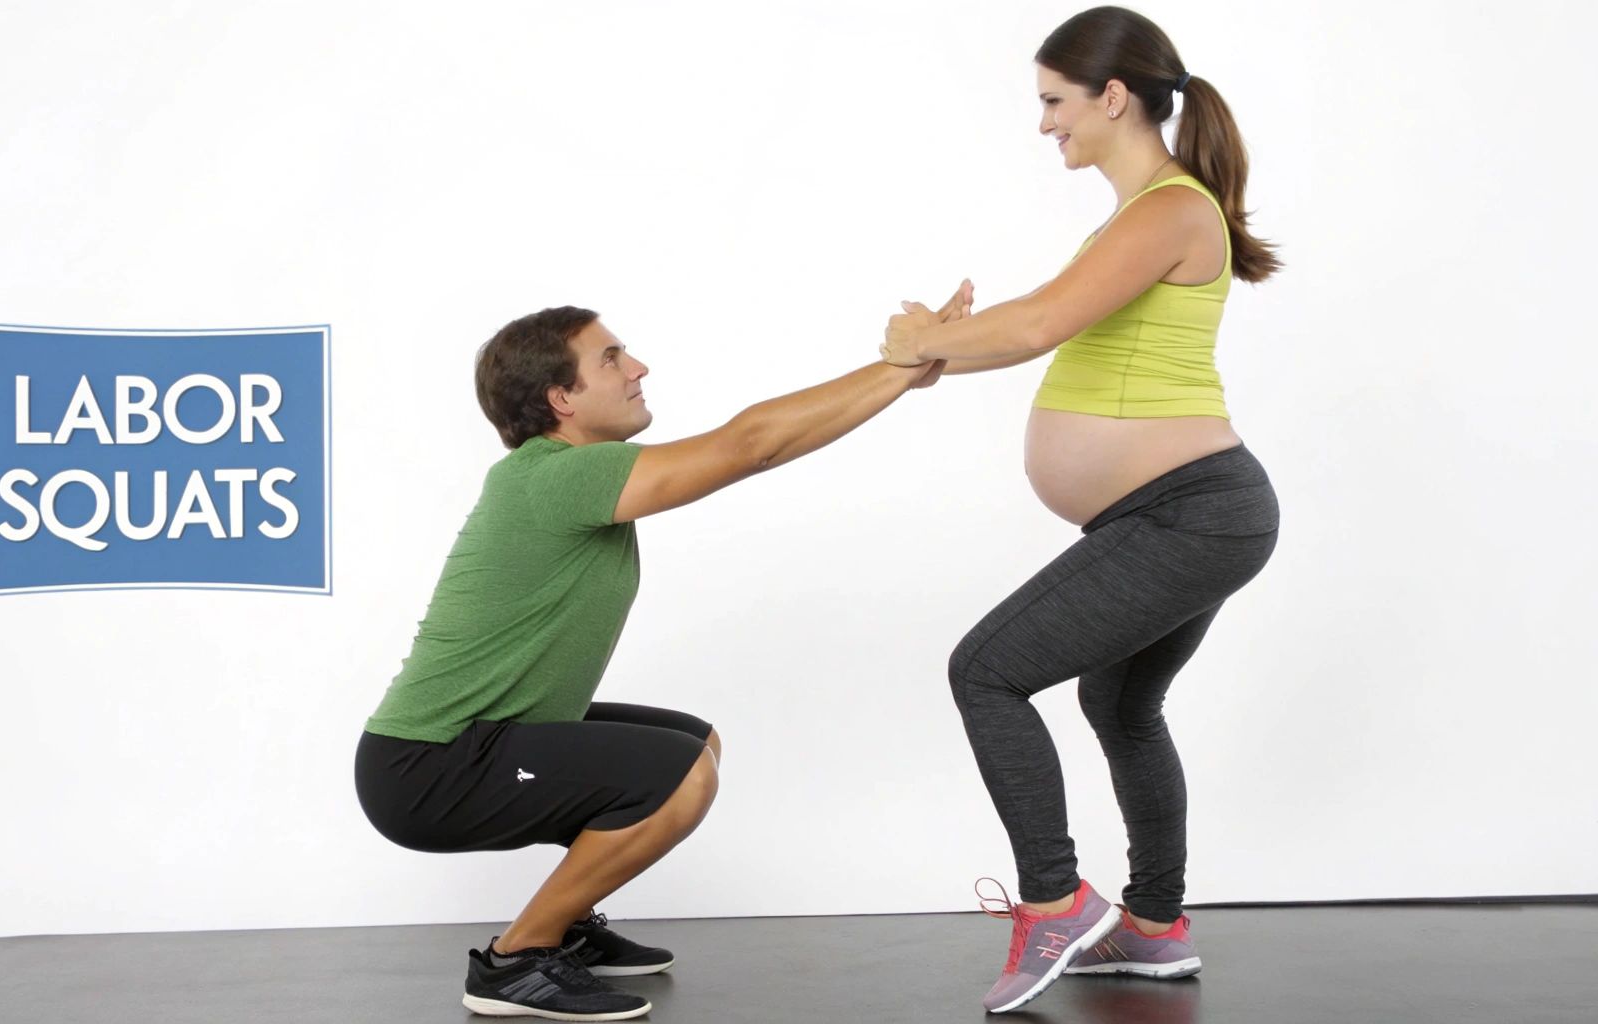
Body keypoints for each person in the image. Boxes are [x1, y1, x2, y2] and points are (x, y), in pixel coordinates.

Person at [356, 299, 959, 1021]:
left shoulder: (563, 475)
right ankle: (516, 962)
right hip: (429, 766)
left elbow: (760, 447)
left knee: (691, 744)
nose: (637, 367)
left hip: (467, 749)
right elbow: (752, 444)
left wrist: (900, 374)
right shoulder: (551, 476)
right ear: (561, 399)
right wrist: (898, 364)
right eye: (611, 358)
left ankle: (565, 924)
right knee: (679, 778)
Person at [881, 6, 1283, 1013]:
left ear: (1110, 96)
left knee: (984, 669)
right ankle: (1152, 929)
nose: (1043, 124)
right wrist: (944, 345)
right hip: (1178, 513)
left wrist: (920, 338)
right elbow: (1038, 322)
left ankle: (1054, 901)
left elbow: (1040, 323)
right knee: (1117, 701)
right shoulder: (1142, 211)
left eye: (1053, 102)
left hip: (1189, 513)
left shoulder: (1168, 208)